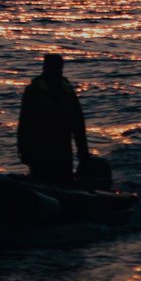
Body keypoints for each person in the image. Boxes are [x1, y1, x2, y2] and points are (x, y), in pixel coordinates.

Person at [17, 53, 90, 185]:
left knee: (64, 182)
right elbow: (25, 124)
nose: (54, 70)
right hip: (40, 148)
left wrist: (83, 152)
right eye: (50, 67)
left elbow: (78, 124)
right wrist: (24, 151)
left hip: (63, 148)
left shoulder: (68, 91)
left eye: (57, 67)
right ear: (45, 68)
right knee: (41, 181)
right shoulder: (33, 91)